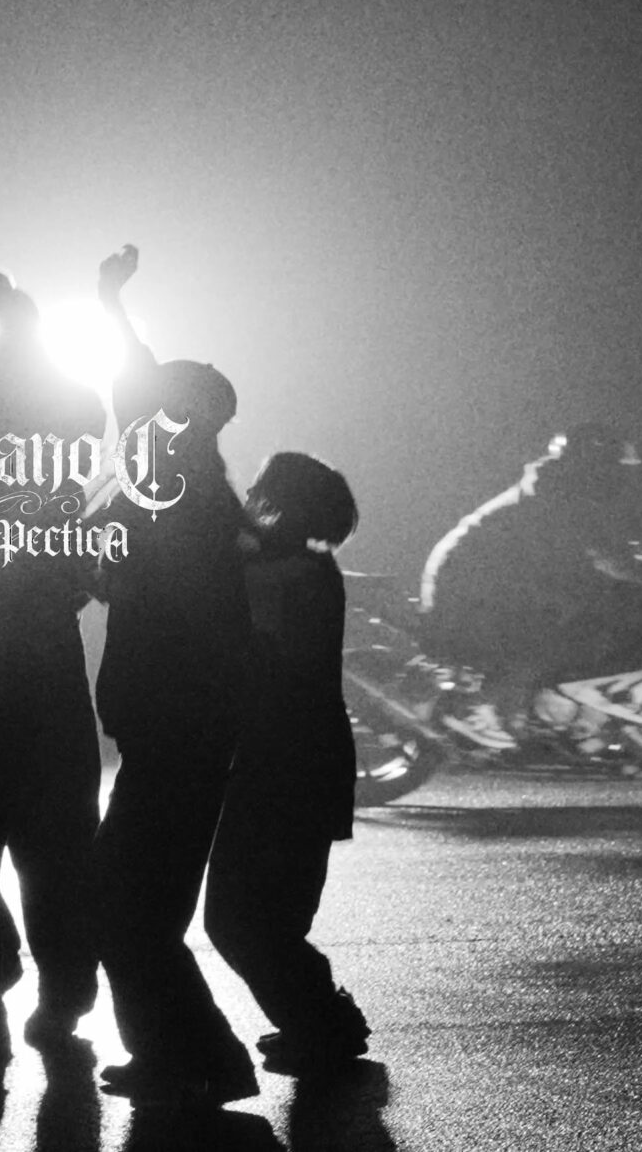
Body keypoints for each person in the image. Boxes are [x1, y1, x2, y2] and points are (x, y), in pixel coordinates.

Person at [84, 244, 261, 1106]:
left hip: (176, 734)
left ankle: (203, 1056)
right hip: (178, 733)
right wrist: (112, 307)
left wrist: (114, 306)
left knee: (129, 905)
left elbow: (134, 385)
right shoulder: (190, 492)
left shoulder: (180, 501)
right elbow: (137, 383)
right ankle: (175, 1053)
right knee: (132, 906)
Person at [0, 253, 106, 1050]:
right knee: (53, 845)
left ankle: (6, 973)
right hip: (38, 665)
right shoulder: (60, 440)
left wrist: (7, 307)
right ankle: (61, 988)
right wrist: (8, 305)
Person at [206, 451, 371, 1075]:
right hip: (308, 757)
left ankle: (321, 1024)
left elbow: (264, 657)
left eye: (260, 489)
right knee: (267, 915)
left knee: (240, 918)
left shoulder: (280, 575)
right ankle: (319, 1019)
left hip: (283, 762)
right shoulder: (310, 567)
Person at [414, 422, 642, 750]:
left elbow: (592, 557)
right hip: (465, 596)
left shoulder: (561, 494)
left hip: (483, 589)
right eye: (616, 468)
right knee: (566, 636)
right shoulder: (552, 499)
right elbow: (591, 558)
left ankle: (547, 715)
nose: (621, 478)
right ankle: (476, 707)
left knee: (587, 618)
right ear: (593, 465)